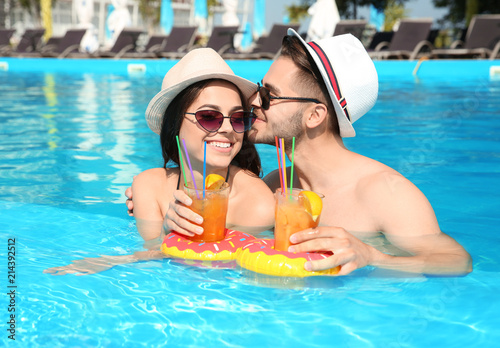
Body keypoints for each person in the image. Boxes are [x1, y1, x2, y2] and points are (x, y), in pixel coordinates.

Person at [126, 30, 472, 276]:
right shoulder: (274, 185)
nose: (253, 102)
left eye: (270, 95)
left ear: (314, 114)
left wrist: (373, 256)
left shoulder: (383, 192)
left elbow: (455, 260)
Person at [45, 48, 275, 275]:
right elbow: (151, 258)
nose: (227, 128)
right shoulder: (148, 187)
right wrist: (165, 234)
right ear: (175, 125)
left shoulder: (256, 202)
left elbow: (232, 271)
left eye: (238, 118)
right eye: (209, 117)